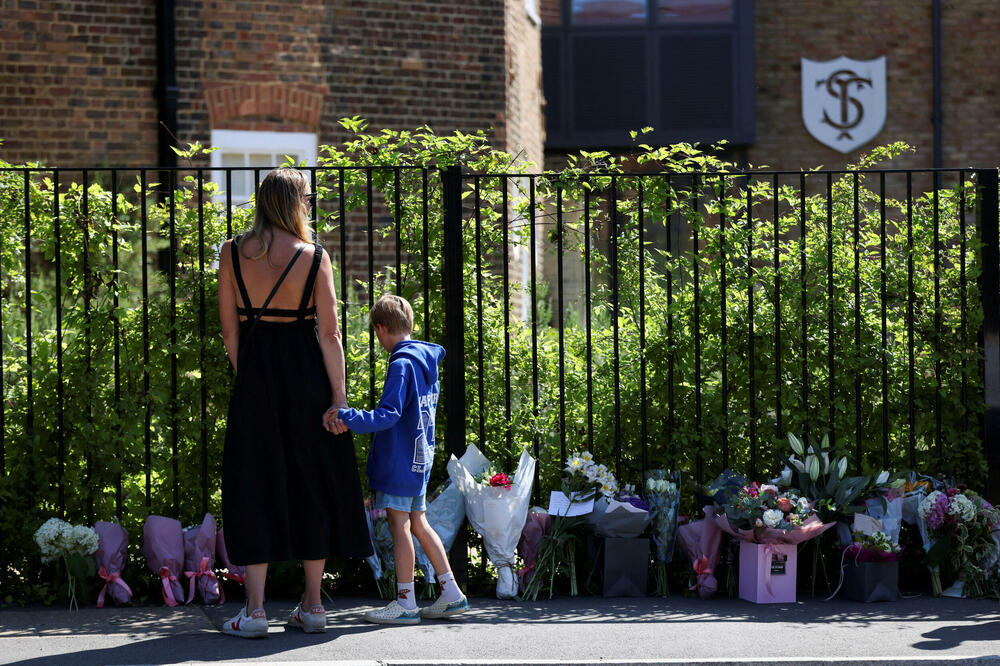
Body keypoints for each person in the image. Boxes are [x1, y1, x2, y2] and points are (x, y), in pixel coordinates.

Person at [217, 168, 371, 638]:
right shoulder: (314, 256)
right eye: (307, 196)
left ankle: (257, 611)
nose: (310, 203)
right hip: (307, 381)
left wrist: (253, 381)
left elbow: (230, 330)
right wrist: (339, 397)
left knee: (254, 485)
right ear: (293, 202)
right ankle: (312, 606)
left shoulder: (231, 252)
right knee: (313, 482)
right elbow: (329, 334)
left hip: (257, 379)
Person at [327, 294, 469, 624]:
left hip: (398, 460)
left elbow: (389, 414)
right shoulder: (424, 360)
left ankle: (406, 602)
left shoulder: (401, 364)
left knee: (399, 525)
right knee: (419, 523)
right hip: (419, 458)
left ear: (380, 328)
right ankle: (452, 595)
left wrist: (349, 417)